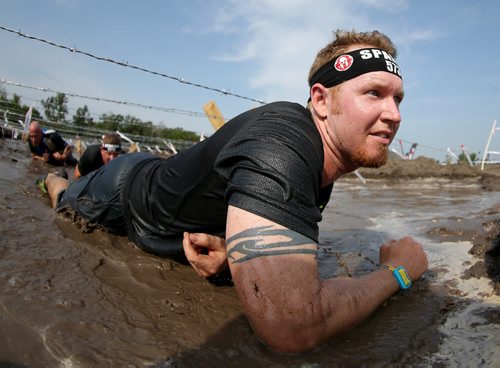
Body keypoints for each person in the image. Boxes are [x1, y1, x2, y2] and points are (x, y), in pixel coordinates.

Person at [38, 29, 428, 353]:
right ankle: (58, 179)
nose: (394, 114)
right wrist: (398, 272)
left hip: (162, 198)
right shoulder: (284, 142)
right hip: (124, 192)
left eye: (398, 98)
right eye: (374, 93)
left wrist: (232, 257)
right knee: (62, 197)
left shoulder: (318, 165)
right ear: (322, 100)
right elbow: (292, 329)